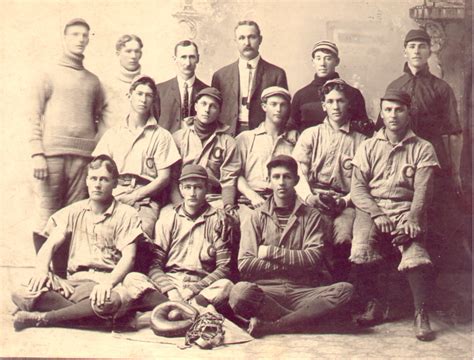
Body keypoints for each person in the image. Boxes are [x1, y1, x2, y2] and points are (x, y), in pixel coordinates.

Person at [11, 155, 152, 331]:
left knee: (109, 301)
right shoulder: (74, 211)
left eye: (104, 179)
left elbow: (129, 258)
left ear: (115, 183)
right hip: (73, 283)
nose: (97, 184)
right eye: (93, 178)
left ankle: (45, 318)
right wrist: (42, 272)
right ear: (87, 181)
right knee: (21, 292)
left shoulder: (126, 214)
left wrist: (107, 284)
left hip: (104, 282)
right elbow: (50, 244)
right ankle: (97, 319)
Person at [228, 155, 354, 337]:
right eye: (276, 177)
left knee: (344, 291)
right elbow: (245, 263)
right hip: (267, 292)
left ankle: (275, 326)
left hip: (304, 291)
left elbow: (313, 258)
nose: (281, 182)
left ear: (296, 180)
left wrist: (270, 252)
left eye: (287, 177)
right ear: (269, 180)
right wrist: (292, 261)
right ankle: (305, 320)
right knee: (239, 292)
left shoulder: (311, 215)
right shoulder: (255, 217)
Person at [350, 90, 438, 341]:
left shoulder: (423, 148)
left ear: (409, 112)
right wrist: (376, 213)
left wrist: (413, 218)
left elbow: (423, 190)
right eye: (388, 110)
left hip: (406, 208)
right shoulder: (368, 146)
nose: (393, 115)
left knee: (415, 250)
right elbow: (357, 188)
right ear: (381, 112)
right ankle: (374, 304)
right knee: (362, 246)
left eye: (399, 110)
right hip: (372, 207)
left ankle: (421, 314)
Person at [375, 29, 464, 271]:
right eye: (412, 46)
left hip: (433, 159)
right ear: (405, 51)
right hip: (401, 162)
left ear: (429, 51)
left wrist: (455, 172)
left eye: (421, 46)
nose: (416, 51)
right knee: (400, 215)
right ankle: (400, 284)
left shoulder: (441, 88)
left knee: (435, 219)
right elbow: (379, 132)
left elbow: (454, 133)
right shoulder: (395, 85)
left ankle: (434, 284)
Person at [30, 18, 104, 277]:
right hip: (51, 157)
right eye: (75, 34)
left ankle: (60, 276)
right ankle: (42, 274)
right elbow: (32, 114)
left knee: (71, 218)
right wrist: (37, 152)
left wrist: (95, 151)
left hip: (83, 159)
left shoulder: (93, 81)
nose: (80, 39)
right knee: (47, 214)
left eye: (85, 35)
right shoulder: (47, 73)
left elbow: (99, 117)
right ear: (64, 38)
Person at [293, 79, 367, 282]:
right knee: (317, 233)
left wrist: (345, 201)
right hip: (315, 198)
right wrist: (309, 197)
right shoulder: (310, 135)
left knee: (344, 238)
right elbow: (297, 170)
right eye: (331, 101)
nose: (336, 106)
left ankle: (341, 288)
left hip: (346, 201)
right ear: (324, 105)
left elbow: (364, 182)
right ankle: (318, 287)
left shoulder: (362, 141)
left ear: (349, 104)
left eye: (341, 101)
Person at [93, 75, 181, 239]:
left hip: (145, 200)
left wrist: (135, 196)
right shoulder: (113, 133)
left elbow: (164, 178)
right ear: (130, 95)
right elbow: (99, 169)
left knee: (139, 232)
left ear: (153, 99)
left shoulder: (161, 135)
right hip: (114, 192)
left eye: (148, 95)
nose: (143, 99)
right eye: (139, 94)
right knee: (96, 229)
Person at [147, 164, 234, 312]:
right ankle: (188, 310)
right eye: (187, 187)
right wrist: (170, 290)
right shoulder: (168, 218)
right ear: (181, 189)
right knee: (134, 279)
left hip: (201, 285)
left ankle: (174, 311)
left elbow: (224, 268)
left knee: (226, 285)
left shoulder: (219, 219)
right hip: (171, 282)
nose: (192, 193)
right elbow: (154, 265)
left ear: (207, 188)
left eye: (198, 187)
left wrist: (192, 290)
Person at [212, 20, 288, 135]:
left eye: (252, 37)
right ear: (235, 41)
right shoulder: (220, 76)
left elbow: (284, 110)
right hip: (227, 134)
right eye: (241, 38)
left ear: (260, 40)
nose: (247, 43)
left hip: (263, 134)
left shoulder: (276, 74)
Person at [171, 87, 240, 211]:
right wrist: (178, 205)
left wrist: (228, 206)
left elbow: (229, 180)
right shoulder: (178, 138)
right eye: (203, 104)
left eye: (213, 106)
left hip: (214, 199)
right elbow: (172, 179)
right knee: (164, 222)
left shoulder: (228, 142)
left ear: (219, 111)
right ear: (196, 106)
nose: (207, 110)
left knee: (225, 222)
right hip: (185, 198)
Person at [289, 40, 372, 136]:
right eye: (318, 58)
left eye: (328, 58)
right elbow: (292, 128)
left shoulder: (353, 94)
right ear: (313, 62)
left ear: (337, 61)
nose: (322, 64)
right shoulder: (301, 95)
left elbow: (364, 129)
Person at [236, 86, 297, 208]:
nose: (278, 109)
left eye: (283, 105)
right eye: (273, 104)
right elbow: (235, 174)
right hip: (251, 201)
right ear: (264, 107)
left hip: (284, 202)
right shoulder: (246, 138)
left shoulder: (294, 140)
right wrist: (253, 196)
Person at [156, 40, 208, 133]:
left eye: (192, 57)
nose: (188, 63)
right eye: (183, 57)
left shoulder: (207, 91)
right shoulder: (159, 90)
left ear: (198, 58)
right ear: (175, 59)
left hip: (197, 145)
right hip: (167, 144)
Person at [100, 34, 144, 135]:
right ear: (118, 53)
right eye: (128, 51)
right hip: (109, 145)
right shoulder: (105, 83)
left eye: (136, 51)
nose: (133, 56)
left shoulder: (147, 84)